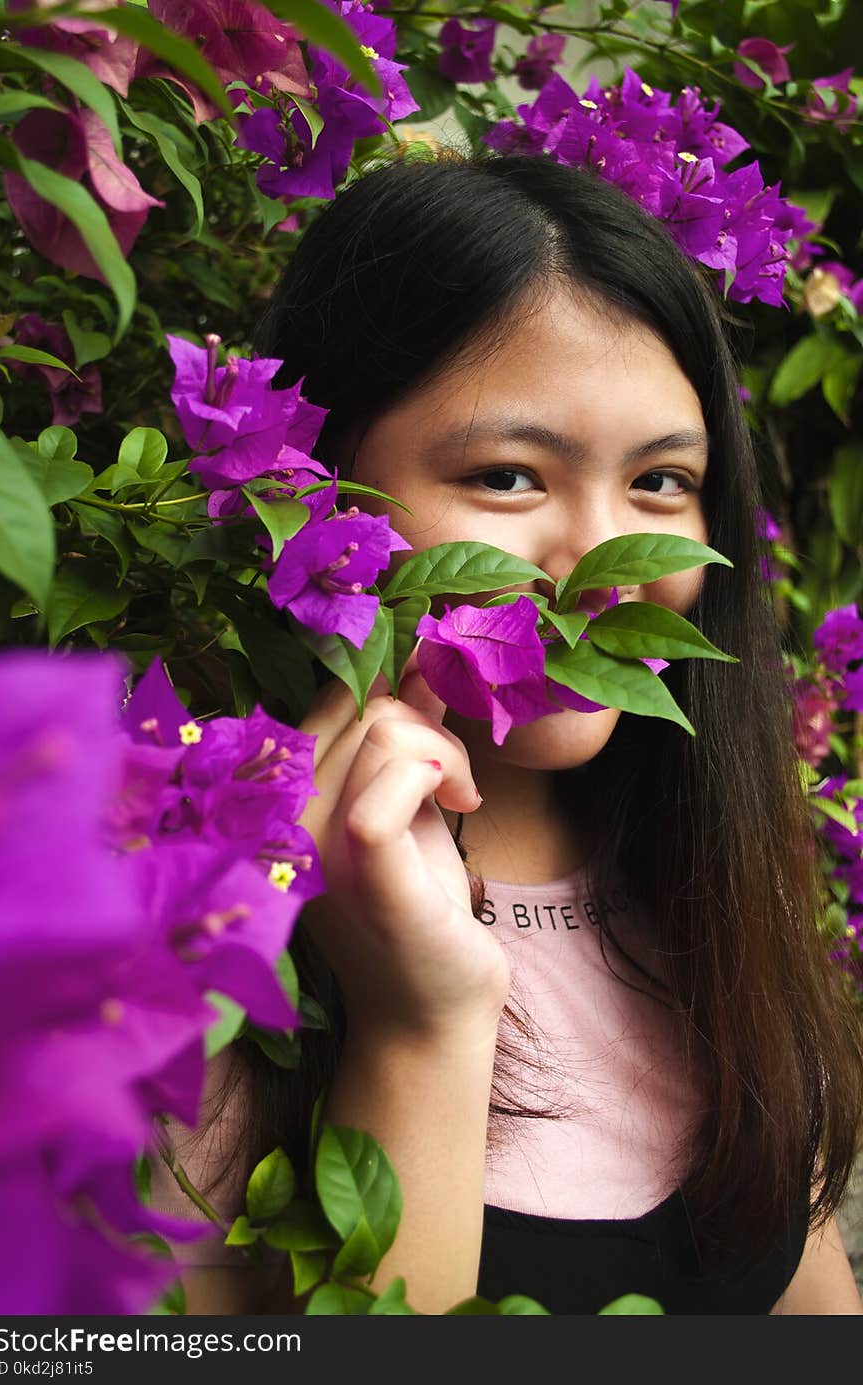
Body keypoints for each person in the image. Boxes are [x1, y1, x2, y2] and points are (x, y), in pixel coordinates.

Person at [150, 151, 863, 1315]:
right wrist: (418, 1021)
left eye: (661, 484)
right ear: (312, 485)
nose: (600, 570)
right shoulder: (193, 960)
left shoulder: (705, 896)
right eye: (506, 474)